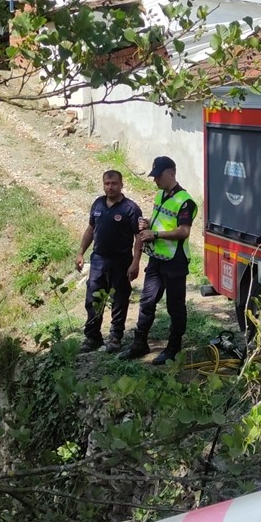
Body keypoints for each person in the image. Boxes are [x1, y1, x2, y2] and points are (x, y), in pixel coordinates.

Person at [118, 156, 196, 365]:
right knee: (147, 301)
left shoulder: (185, 200)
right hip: (156, 259)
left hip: (175, 260)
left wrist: (156, 235)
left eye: (158, 176)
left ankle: (173, 348)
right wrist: (147, 224)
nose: (155, 180)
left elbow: (184, 231)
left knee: (175, 306)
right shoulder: (161, 194)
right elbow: (159, 221)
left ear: (171, 173)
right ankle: (139, 343)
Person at [76, 170, 143, 353]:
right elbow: (91, 229)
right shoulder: (98, 204)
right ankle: (92, 337)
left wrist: (136, 262)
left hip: (121, 261)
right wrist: (81, 252)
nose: (110, 187)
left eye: (113, 183)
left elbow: (139, 237)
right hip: (98, 260)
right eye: (107, 183)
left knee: (119, 299)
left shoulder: (130, 208)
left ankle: (115, 338)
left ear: (121, 185)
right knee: (93, 298)